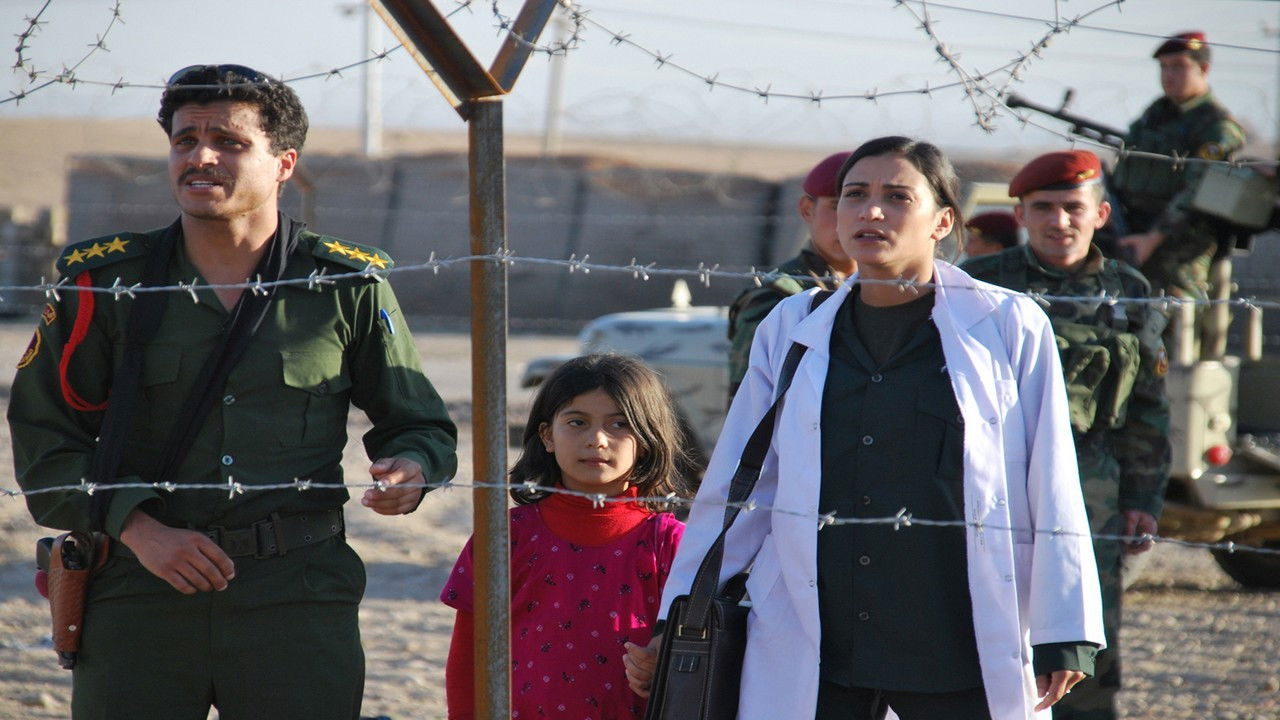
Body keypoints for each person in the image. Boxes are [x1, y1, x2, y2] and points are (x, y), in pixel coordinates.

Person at [7, 65, 458, 720]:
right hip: (139, 592)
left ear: (284, 163)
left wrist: (412, 469)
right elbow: (44, 443)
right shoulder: (105, 283)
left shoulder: (344, 284)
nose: (201, 157)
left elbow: (420, 422)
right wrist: (139, 529)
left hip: (297, 598)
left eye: (229, 142)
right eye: (185, 139)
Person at [626, 136, 1104, 719]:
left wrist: (1065, 627)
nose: (871, 212)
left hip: (955, 644)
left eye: (897, 197)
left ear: (942, 221)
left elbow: (1051, 479)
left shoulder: (1006, 326)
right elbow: (740, 484)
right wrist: (677, 613)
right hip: (819, 642)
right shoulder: (793, 326)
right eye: (855, 195)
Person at [963, 151, 1171, 720]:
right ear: (1022, 215)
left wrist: (1141, 499)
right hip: (995, 477)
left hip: (1092, 483)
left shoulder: (1129, 291)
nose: (1059, 222)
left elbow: (1147, 407)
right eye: (1044, 208)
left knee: (1087, 626)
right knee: (988, 612)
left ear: (1100, 213)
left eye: (1073, 208)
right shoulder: (980, 285)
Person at [441, 354, 687, 719]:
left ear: (647, 439)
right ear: (547, 436)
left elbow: (696, 654)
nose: (597, 439)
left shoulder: (672, 543)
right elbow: (468, 655)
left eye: (620, 424)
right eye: (577, 422)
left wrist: (661, 661)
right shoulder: (505, 536)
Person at [1112, 31, 1245, 304]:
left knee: (1174, 316)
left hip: (1182, 241)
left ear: (1203, 69)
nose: (1168, 75)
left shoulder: (1216, 126)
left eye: (1179, 66)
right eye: (1163, 67)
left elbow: (1196, 190)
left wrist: (1153, 238)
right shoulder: (1156, 114)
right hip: (1134, 229)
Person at [727, 151, 857, 402]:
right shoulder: (776, 300)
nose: (848, 220)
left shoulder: (880, 288)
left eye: (857, 204)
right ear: (808, 210)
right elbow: (749, 406)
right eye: (836, 205)